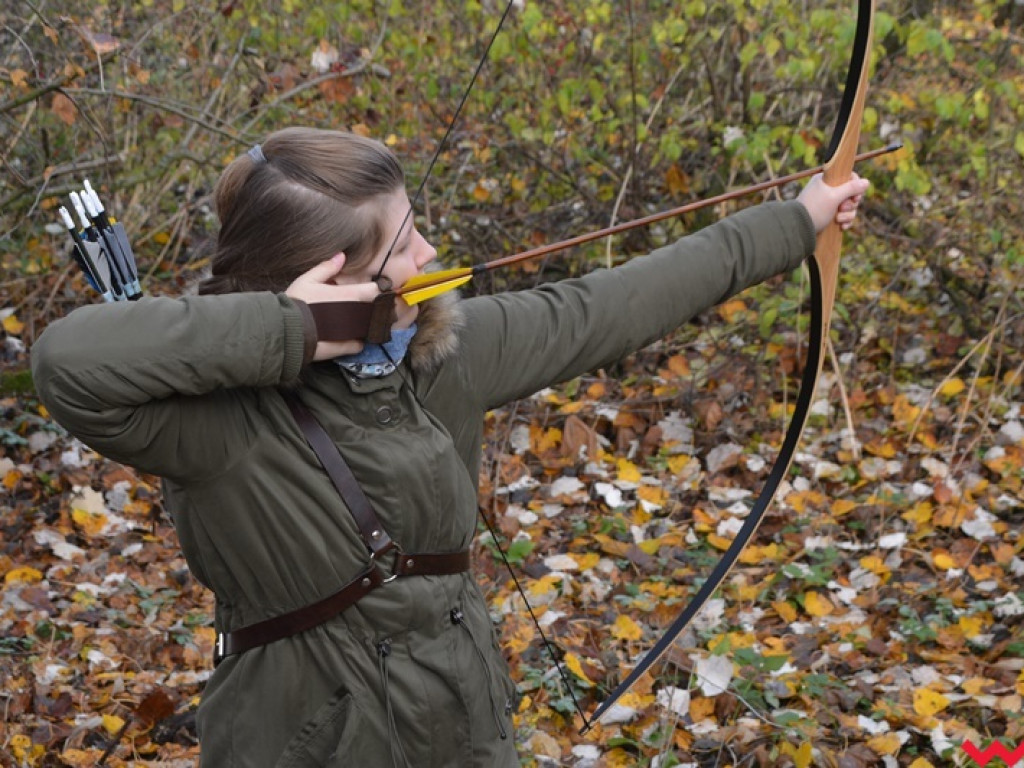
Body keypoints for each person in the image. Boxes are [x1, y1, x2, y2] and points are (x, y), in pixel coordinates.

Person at [31, 127, 869, 767]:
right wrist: (292, 332)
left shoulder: (441, 355)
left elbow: (619, 300)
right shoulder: (211, 422)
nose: (431, 254)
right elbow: (68, 360)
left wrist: (797, 220)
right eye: (403, 245)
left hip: (462, 722)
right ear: (335, 282)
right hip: (311, 741)